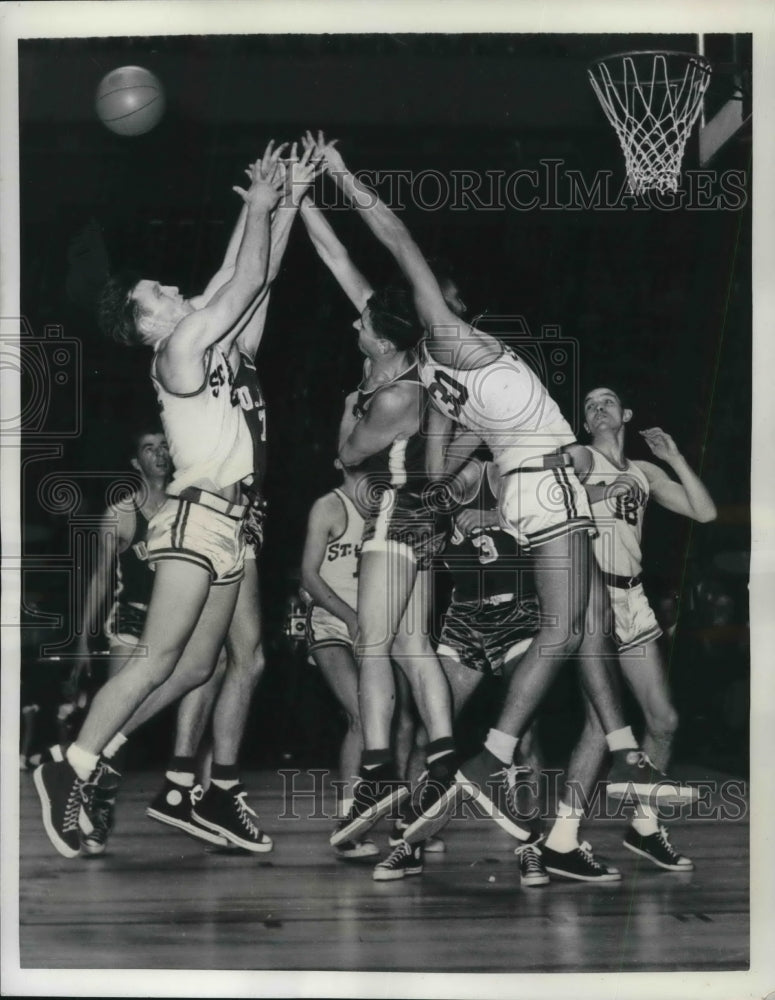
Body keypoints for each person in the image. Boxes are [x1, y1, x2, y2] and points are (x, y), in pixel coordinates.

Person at [311, 132, 696, 854]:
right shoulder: (450, 339)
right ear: (427, 309)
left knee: (579, 627)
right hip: (545, 486)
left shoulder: (422, 372)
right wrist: (339, 171)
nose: (448, 294)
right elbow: (393, 237)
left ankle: (619, 750)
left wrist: (298, 200)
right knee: (563, 630)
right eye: (438, 294)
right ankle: (490, 760)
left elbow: (346, 269)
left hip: (526, 485)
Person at [34, 141, 317, 859]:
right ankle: (68, 767)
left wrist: (285, 200)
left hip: (233, 526)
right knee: (158, 660)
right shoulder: (178, 353)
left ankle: (98, 756)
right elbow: (242, 272)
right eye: (155, 292)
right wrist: (258, 204)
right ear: (148, 326)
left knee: (199, 666)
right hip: (197, 519)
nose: (168, 286)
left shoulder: (221, 347)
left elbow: (253, 279)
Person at [297, 186, 460, 857]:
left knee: (371, 644)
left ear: (385, 341)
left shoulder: (390, 394)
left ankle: (375, 773)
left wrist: (346, 409)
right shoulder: (406, 361)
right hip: (421, 521)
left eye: (362, 329)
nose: (352, 327)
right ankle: (443, 758)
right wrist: (301, 200)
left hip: (393, 517)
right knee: (411, 646)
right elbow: (340, 260)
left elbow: (345, 454)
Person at [537, 388, 716, 879]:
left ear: (626, 415)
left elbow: (705, 512)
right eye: (590, 404)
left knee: (664, 720)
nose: (598, 408)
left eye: (608, 401)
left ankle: (643, 825)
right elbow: (541, 488)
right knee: (602, 726)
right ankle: (561, 840)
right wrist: (594, 492)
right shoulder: (580, 455)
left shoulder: (643, 471)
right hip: (589, 598)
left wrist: (674, 457)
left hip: (632, 598)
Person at [373, 457, 549, 885]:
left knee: (524, 739)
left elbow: (548, 519)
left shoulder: (512, 471)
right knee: (429, 735)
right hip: (464, 618)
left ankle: (531, 847)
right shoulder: (439, 481)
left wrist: (493, 515)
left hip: (518, 613)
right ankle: (410, 841)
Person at [301, 459, 418, 861]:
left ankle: (403, 821)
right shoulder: (329, 506)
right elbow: (308, 575)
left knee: (401, 720)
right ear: (338, 459)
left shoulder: (389, 503)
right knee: (362, 715)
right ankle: (348, 820)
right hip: (333, 623)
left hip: (376, 625)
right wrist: (350, 618)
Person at [67, 425, 171, 854]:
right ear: (136, 463)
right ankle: (100, 804)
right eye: (149, 448)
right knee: (117, 713)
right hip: (133, 620)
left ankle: (198, 791)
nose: (160, 454)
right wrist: (81, 640)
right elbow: (98, 580)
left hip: (176, 627)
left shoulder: (191, 509)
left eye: (165, 446)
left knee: (130, 722)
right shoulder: (122, 513)